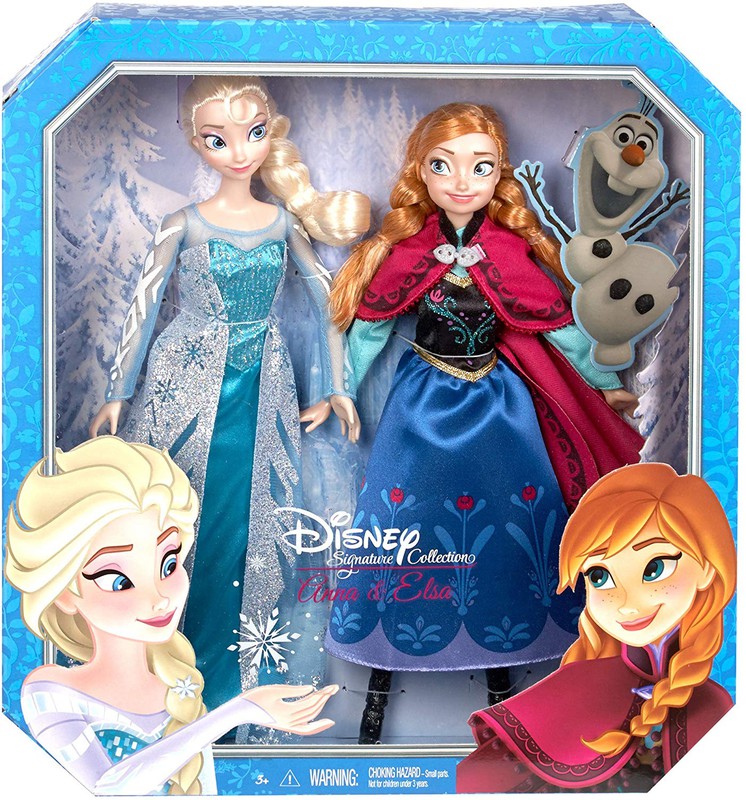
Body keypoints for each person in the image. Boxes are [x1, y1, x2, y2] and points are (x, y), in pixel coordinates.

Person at [326, 102, 644, 742]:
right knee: (404, 530)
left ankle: (502, 685)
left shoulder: (508, 249)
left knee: (505, 531)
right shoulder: (409, 250)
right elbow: (369, 329)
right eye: (443, 166)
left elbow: (558, 328)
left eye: (481, 166)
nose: (462, 181)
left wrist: (605, 383)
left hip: (501, 407)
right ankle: (379, 684)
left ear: (500, 173)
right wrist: (340, 390)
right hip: (421, 407)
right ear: (421, 173)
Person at [88, 76, 369, 712]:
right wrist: (118, 392)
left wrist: (338, 387)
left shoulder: (281, 224)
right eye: (219, 139)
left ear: (272, 134)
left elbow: (327, 301)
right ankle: (161, 679)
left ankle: (233, 685)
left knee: (251, 526)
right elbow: (144, 307)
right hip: (186, 389)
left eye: (254, 133)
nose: (239, 152)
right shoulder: (184, 224)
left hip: (262, 390)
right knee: (179, 522)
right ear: (196, 143)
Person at [5, 437, 339, 795]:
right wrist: (237, 711)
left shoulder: (178, 690)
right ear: (64, 593)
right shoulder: (51, 692)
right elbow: (107, 787)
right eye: (118, 581)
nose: (160, 597)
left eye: (168, 563)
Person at [456, 462, 736, 792]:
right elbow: (477, 784)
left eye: (654, 568)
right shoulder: (576, 688)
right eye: (600, 576)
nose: (627, 603)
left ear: (707, 567)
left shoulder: (716, 701)